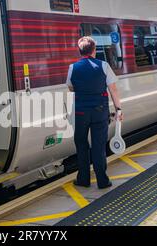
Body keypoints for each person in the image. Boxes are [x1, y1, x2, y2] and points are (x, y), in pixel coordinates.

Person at [66, 36, 124, 189]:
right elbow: (113, 90)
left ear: (80, 51)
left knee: (81, 145)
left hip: (80, 113)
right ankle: (103, 181)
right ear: (94, 50)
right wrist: (118, 109)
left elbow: (71, 88)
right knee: (98, 146)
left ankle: (83, 179)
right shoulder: (104, 66)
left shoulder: (73, 67)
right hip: (100, 111)